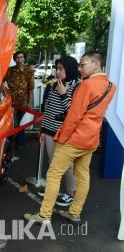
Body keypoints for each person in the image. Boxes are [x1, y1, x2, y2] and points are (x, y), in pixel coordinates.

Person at [24, 51, 117, 225]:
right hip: (91, 139)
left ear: (96, 64)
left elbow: (74, 116)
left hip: (75, 138)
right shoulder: (111, 86)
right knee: (83, 176)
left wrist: (62, 137)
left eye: (83, 64)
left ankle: (44, 215)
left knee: (54, 174)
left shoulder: (85, 86)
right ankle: (74, 213)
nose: (80, 68)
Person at [38, 56, 81, 207]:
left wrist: (63, 94)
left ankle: (71, 193)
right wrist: (43, 130)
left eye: (61, 69)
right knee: (52, 163)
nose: (58, 72)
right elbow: (48, 108)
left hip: (65, 132)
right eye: (57, 68)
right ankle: (52, 190)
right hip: (50, 130)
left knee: (67, 166)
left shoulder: (78, 86)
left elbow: (74, 113)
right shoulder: (53, 85)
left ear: (70, 69)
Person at [4, 50, 35, 150]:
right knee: (11, 122)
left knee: (21, 123)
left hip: (23, 102)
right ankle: (9, 142)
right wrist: (6, 90)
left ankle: (20, 143)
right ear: (14, 59)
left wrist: (30, 102)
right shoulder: (9, 70)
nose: (20, 59)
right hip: (10, 101)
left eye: (21, 57)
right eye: (17, 57)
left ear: (24, 58)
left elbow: (31, 88)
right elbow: (0, 81)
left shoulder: (29, 71)